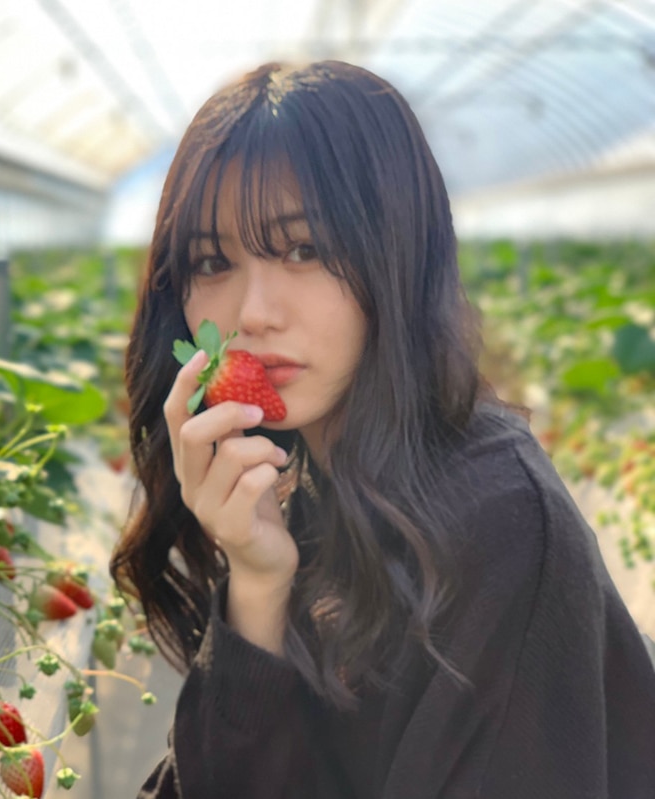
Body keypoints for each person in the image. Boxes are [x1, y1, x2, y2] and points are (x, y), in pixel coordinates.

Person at [111, 60, 655, 799]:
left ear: (396, 250)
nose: (253, 312)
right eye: (212, 261)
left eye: (302, 249)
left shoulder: (501, 524)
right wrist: (258, 583)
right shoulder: (308, 489)